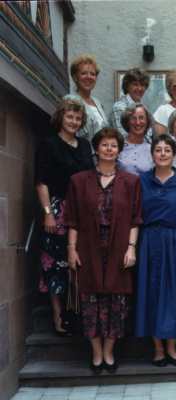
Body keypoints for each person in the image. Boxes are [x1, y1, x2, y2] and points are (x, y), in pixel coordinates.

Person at [65, 128, 142, 374]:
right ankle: (96, 353)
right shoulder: (78, 181)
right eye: (104, 145)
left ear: (119, 150)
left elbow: (135, 219)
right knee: (90, 303)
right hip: (88, 248)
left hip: (119, 248)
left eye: (114, 145)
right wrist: (71, 248)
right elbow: (72, 219)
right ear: (96, 149)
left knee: (117, 303)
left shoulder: (131, 181)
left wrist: (132, 248)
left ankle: (109, 352)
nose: (109, 149)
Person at [135, 135, 176, 367]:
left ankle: (172, 348)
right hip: (149, 241)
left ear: (174, 154)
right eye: (158, 150)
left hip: (175, 240)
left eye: (167, 150)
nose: (162, 154)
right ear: (152, 154)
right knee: (151, 291)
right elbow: (135, 216)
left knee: (174, 292)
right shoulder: (142, 181)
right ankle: (158, 349)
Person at [35, 98, 94, 336]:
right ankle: (59, 316)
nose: (74, 121)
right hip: (57, 210)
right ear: (61, 117)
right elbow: (41, 182)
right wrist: (48, 213)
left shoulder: (84, 145)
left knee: (78, 263)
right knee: (55, 264)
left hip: (82, 210)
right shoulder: (48, 145)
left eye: (78, 118)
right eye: (70, 117)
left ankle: (77, 313)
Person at [68, 54, 108, 142]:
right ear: (75, 77)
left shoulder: (98, 103)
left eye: (92, 74)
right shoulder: (71, 101)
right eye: (84, 73)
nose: (88, 77)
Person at [110, 68, 152, 142]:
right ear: (127, 86)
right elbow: (123, 137)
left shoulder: (143, 108)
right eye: (135, 84)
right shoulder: (119, 107)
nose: (139, 88)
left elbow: (149, 135)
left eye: (142, 85)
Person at [118, 103, 154, 175]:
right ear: (127, 122)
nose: (138, 122)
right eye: (133, 118)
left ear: (147, 121)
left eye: (141, 118)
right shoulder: (118, 146)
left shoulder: (152, 149)